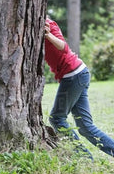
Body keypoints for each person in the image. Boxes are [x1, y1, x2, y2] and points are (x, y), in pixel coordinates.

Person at [44, 17, 114, 158]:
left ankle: (84, 158)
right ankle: (87, 160)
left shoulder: (47, 24)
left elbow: (63, 47)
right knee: (85, 126)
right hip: (78, 74)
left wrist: (48, 35)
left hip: (73, 75)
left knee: (57, 118)